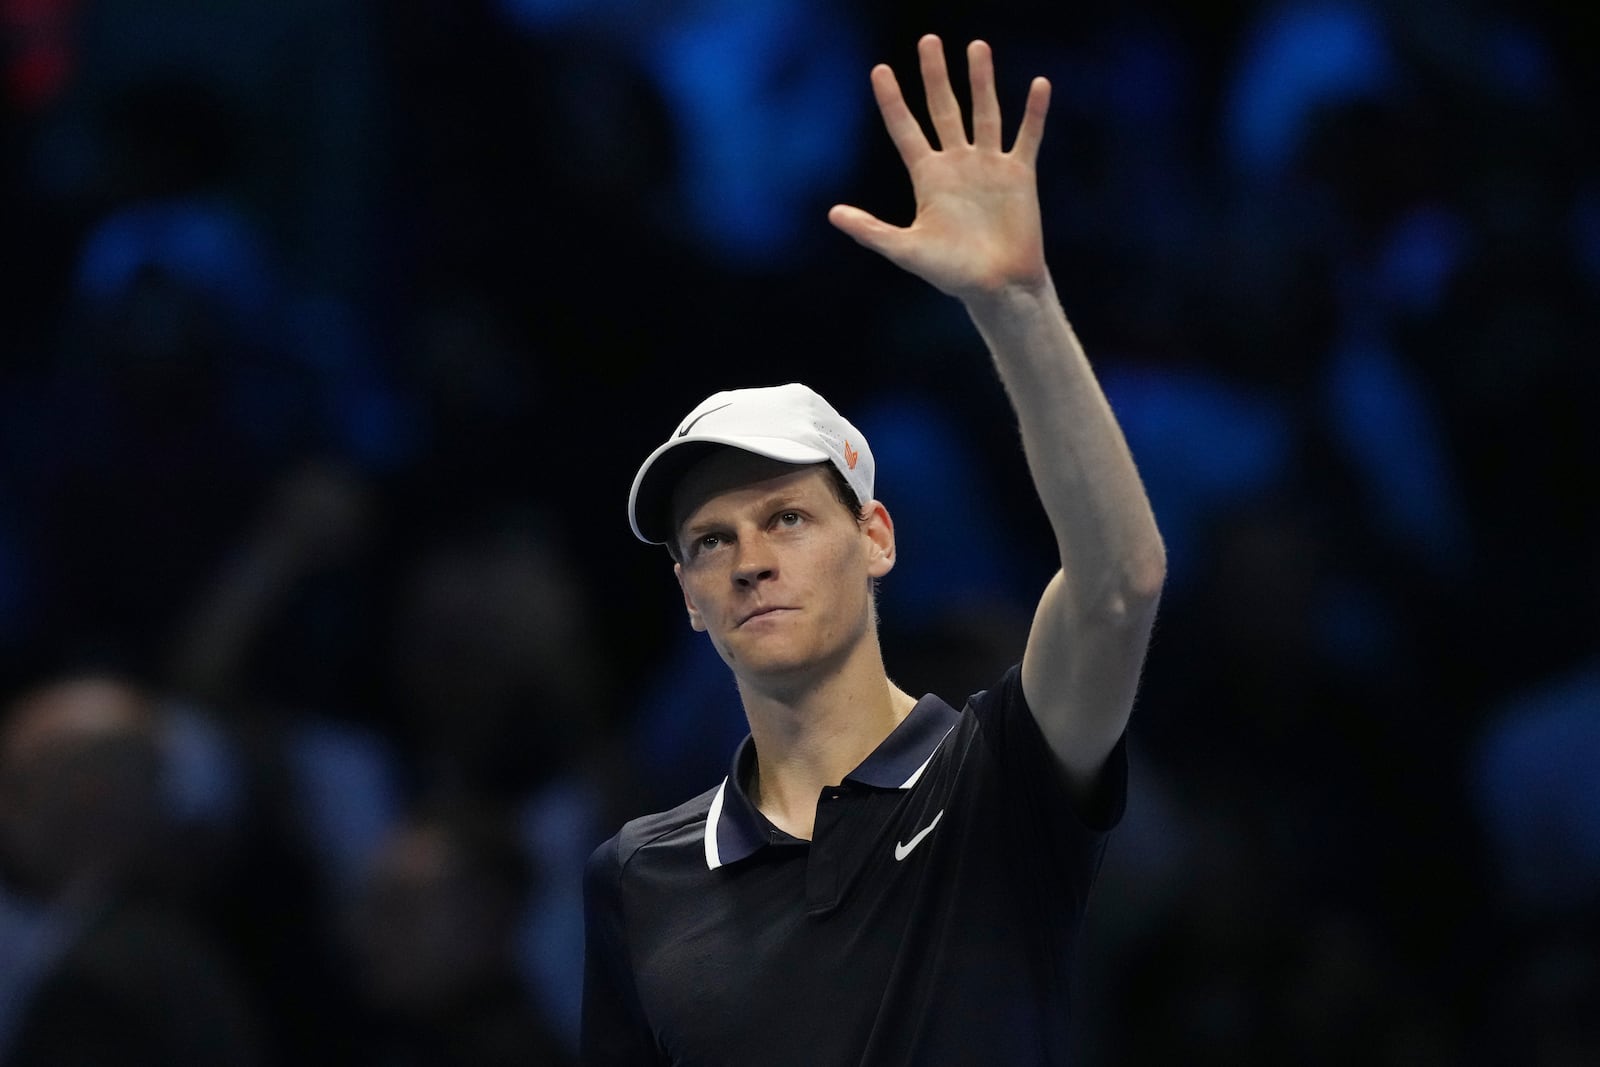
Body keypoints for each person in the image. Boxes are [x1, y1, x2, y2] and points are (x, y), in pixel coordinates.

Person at [581, 34, 1165, 1065]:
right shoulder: (638, 873)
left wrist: (1015, 304)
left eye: (787, 518)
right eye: (710, 540)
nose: (749, 559)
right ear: (688, 596)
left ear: (877, 537)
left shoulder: (997, 776)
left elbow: (1119, 587)